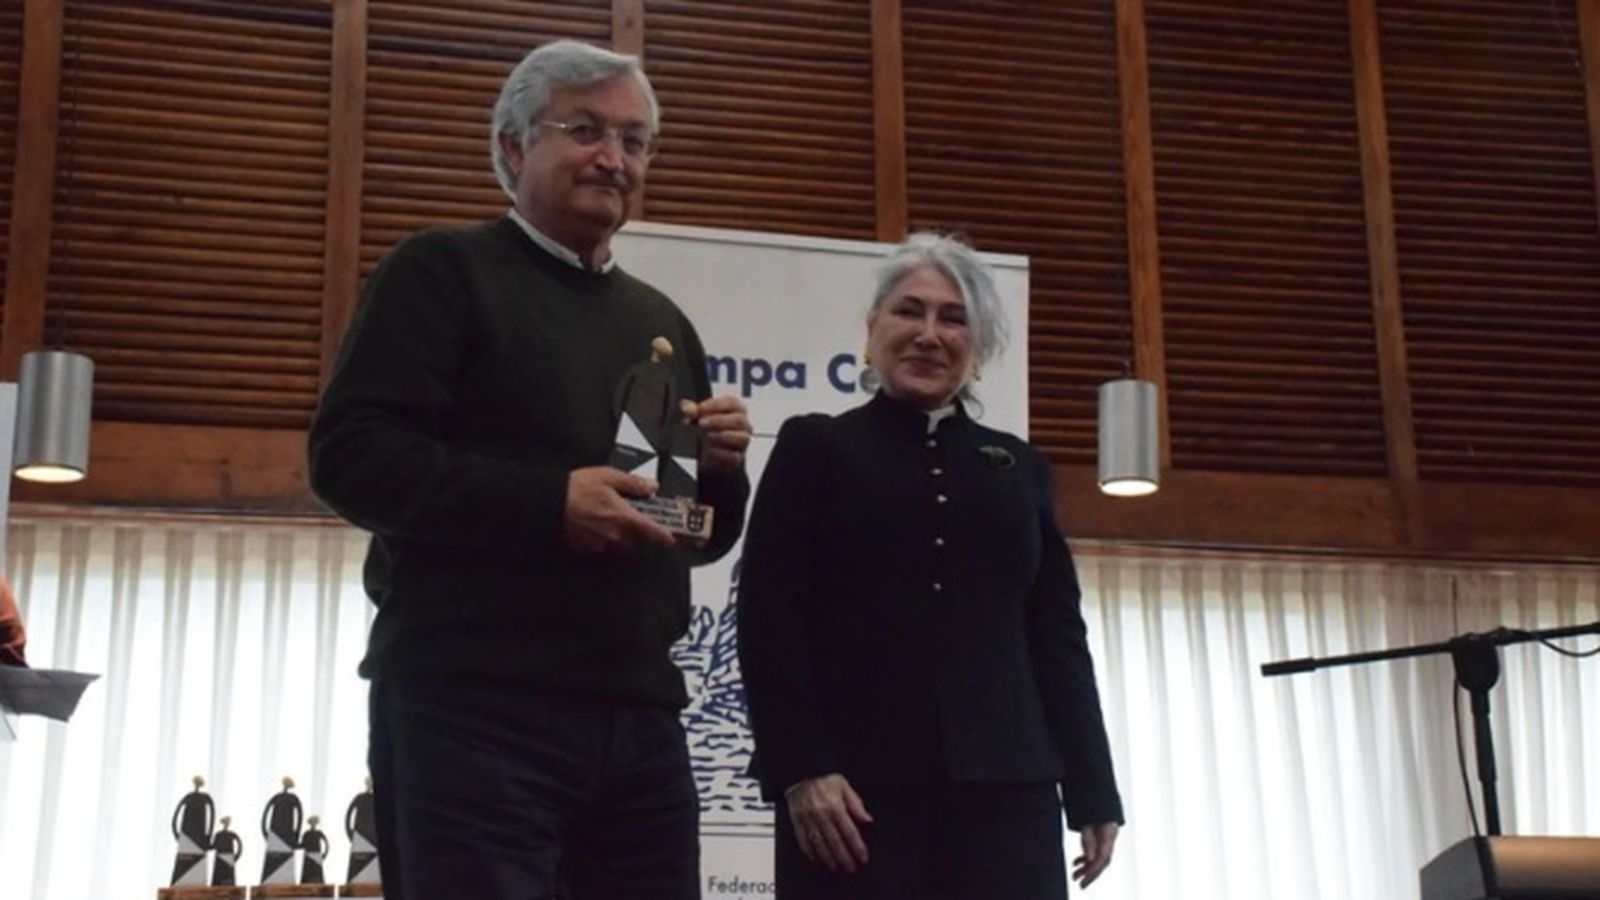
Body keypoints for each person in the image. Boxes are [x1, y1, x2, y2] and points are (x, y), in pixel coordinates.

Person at [307, 38, 751, 900]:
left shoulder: (662, 321)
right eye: (583, 128)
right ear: (512, 148)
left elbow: (691, 539)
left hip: (642, 721)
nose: (613, 158)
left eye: (634, 140)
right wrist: (549, 503)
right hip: (473, 709)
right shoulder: (440, 271)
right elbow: (350, 457)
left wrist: (724, 475)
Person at [737, 233, 1124, 899]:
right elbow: (768, 619)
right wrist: (801, 768)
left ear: (977, 348)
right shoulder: (815, 446)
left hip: (1008, 793)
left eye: (953, 318)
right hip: (850, 799)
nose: (928, 333)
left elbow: (1057, 638)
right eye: (908, 311)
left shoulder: (1021, 469)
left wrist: (1093, 790)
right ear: (872, 329)